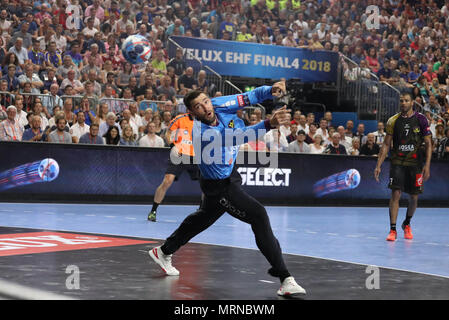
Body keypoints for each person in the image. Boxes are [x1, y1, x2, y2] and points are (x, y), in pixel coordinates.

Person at [148, 81, 307, 297]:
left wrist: (270, 90)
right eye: (198, 106)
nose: (206, 107)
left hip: (228, 174)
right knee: (258, 215)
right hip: (218, 187)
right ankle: (285, 278)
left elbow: (246, 98)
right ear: (192, 113)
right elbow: (237, 138)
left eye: (205, 101)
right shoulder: (202, 133)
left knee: (202, 219)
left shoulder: (217, 104)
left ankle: (164, 251)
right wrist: (269, 123)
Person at [374, 92, 432, 241]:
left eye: (406, 100)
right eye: (401, 101)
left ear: (412, 102)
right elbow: (386, 144)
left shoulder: (421, 119)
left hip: (416, 164)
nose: (403, 103)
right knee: (396, 194)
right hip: (398, 162)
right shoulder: (393, 121)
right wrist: (378, 165)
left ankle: (407, 223)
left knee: (413, 197)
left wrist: (427, 165)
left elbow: (428, 144)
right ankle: (392, 229)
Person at [148, 113, 199, 222]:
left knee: (207, 183)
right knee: (167, 181)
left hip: (196, 155)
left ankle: (203, 209)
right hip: (179, 154)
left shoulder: (204, 120)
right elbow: (169, 133)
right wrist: (172, 144)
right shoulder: (180, 119)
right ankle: (153, 211)